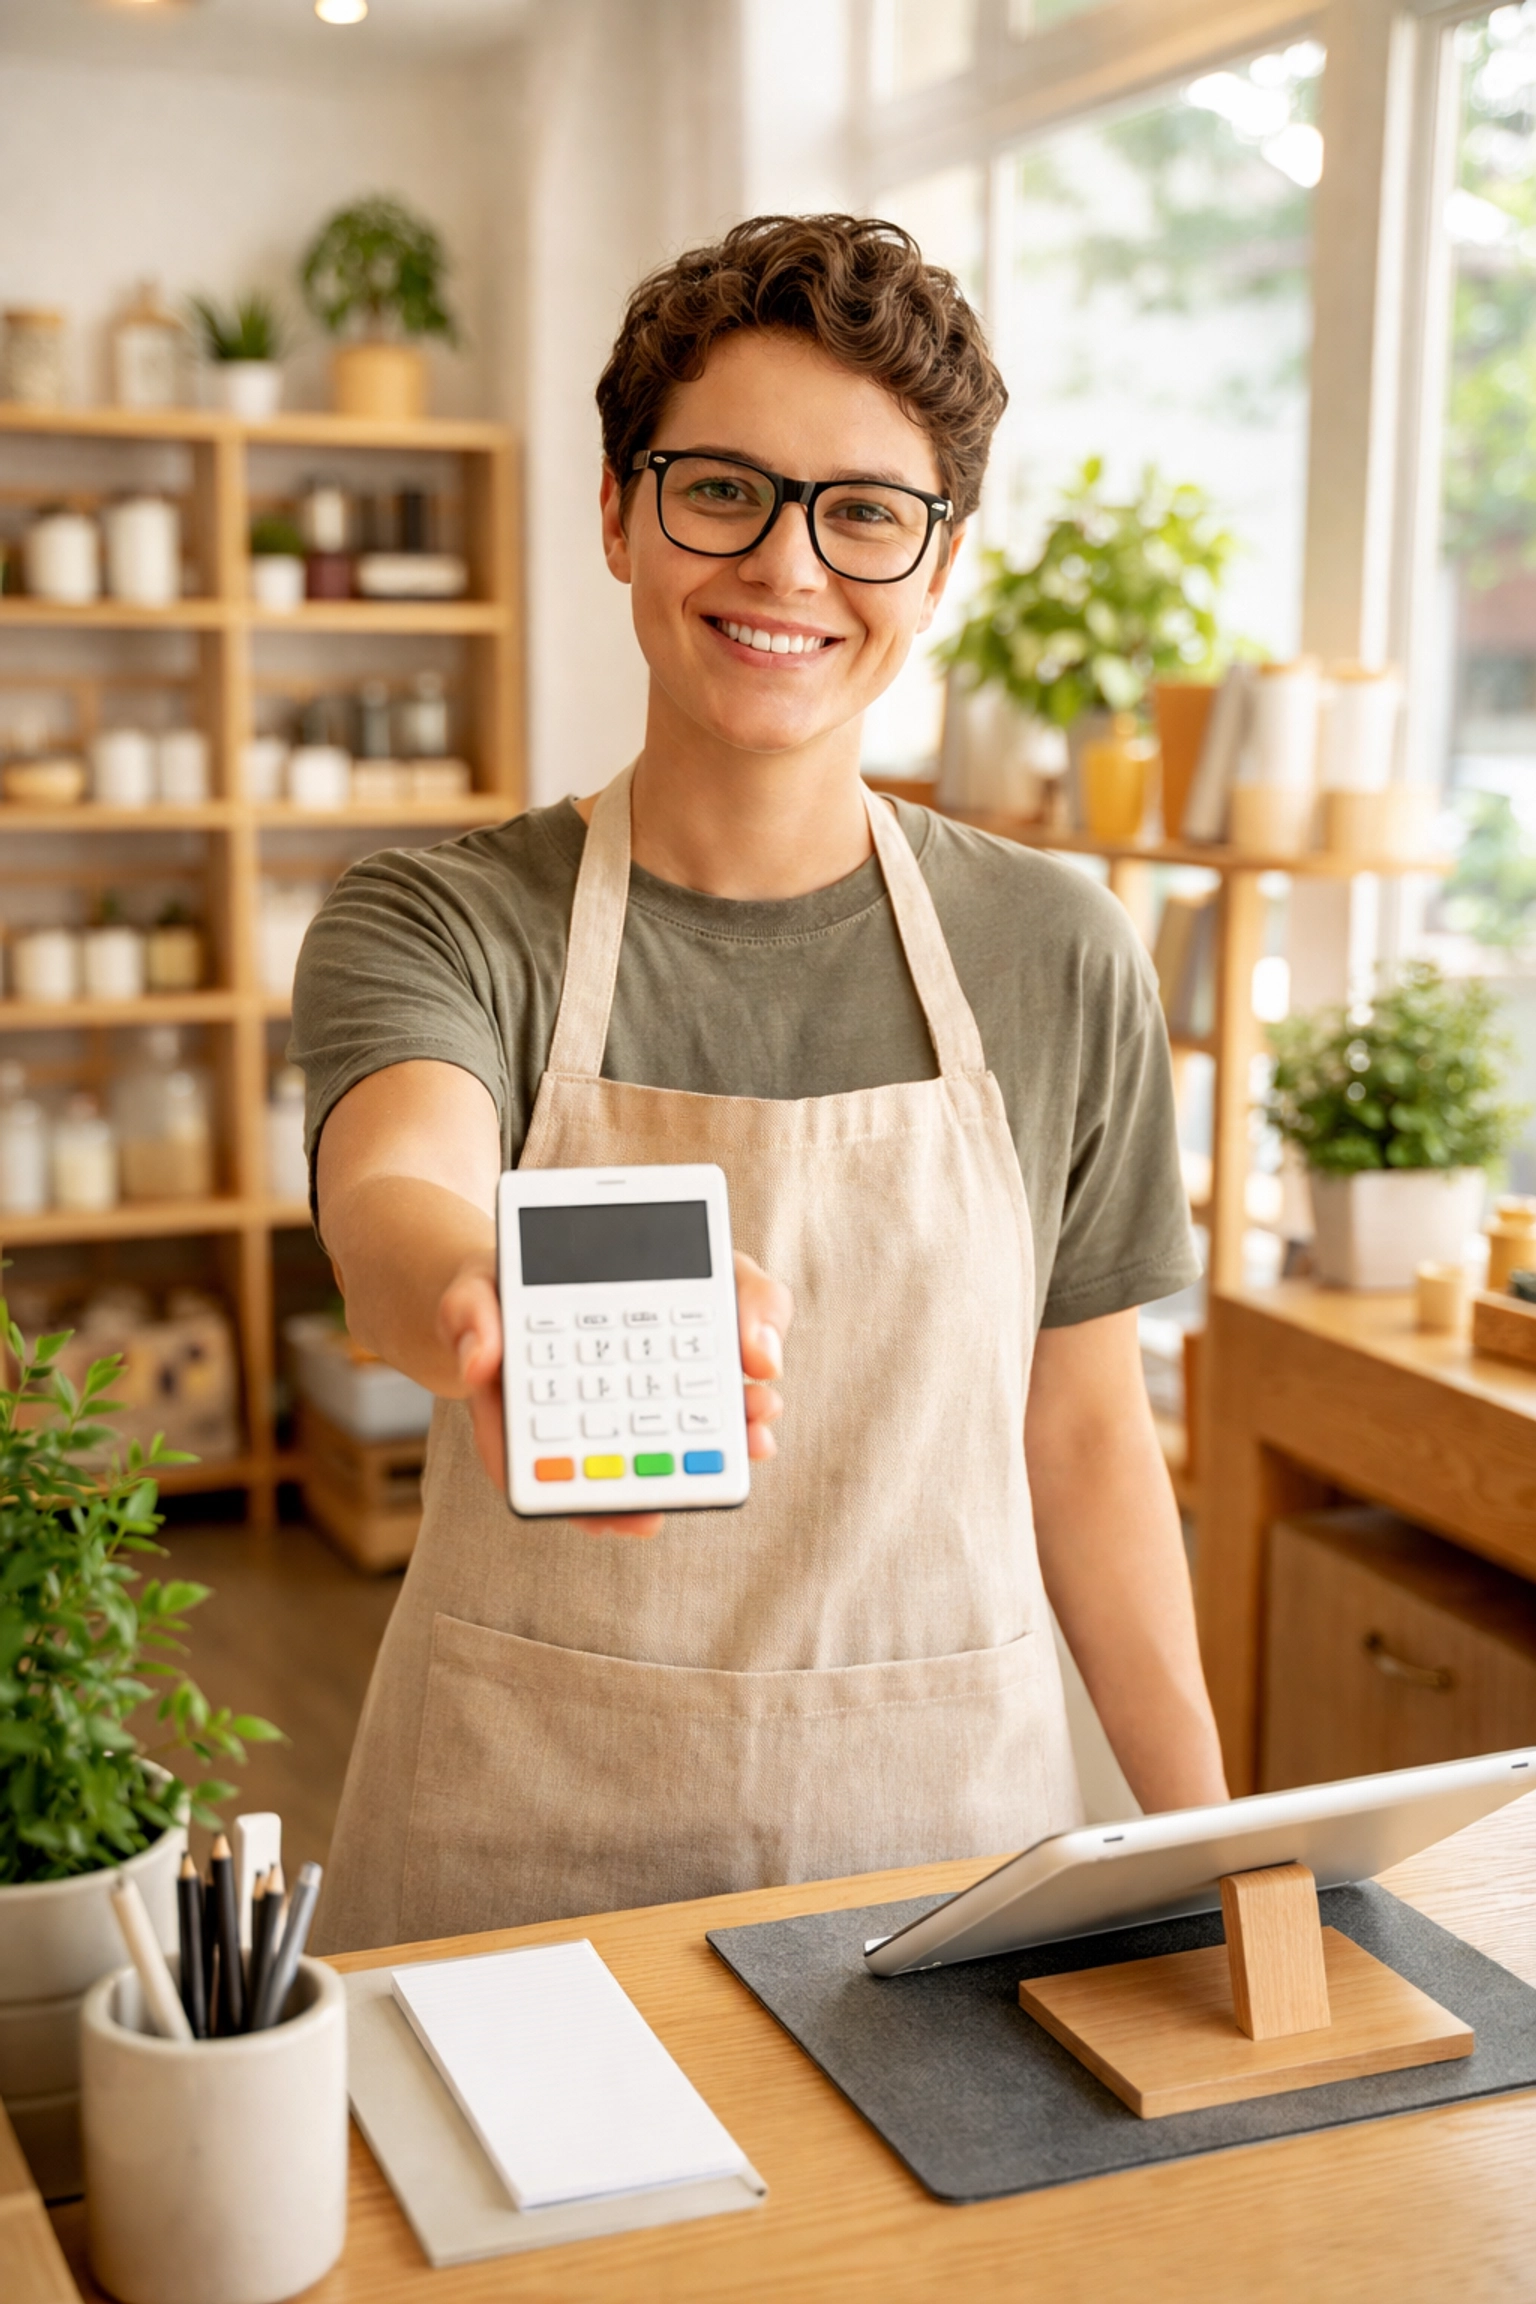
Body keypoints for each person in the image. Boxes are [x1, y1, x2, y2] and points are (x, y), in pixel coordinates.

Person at [298, 214, 1228, 1954]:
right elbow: (393, 1200)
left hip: (940, 1857)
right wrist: (484, 1297)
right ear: (617, 514)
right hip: (521, 1854)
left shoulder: (1056, 951)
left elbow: (1089, 1437)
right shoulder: (442, 917)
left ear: (936, 567)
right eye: (721, 489)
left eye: (864, 512)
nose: (789, 565)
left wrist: (1219, 1856)